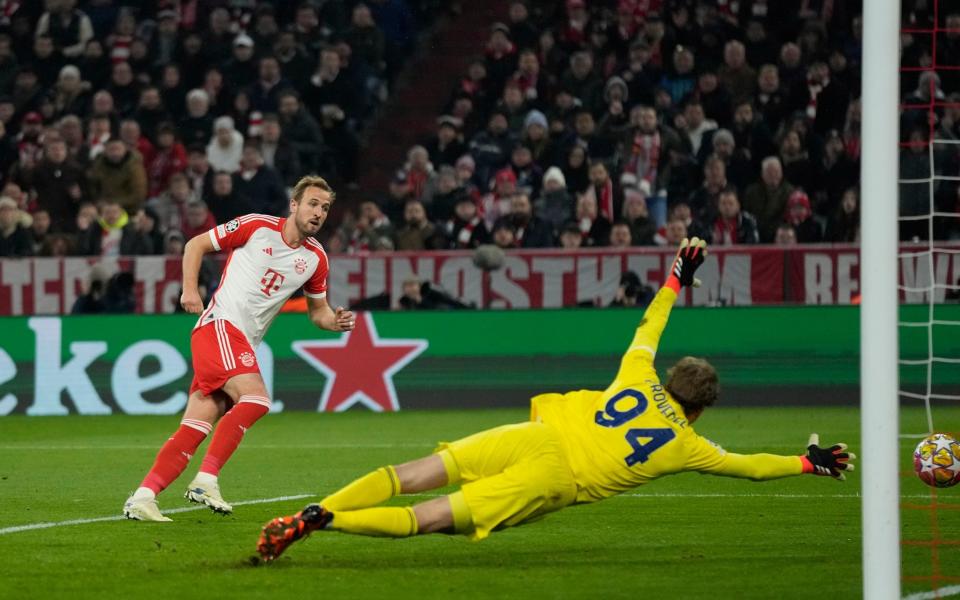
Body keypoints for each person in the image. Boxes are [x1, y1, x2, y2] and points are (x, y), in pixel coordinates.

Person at [256, 238, 854, 560]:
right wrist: (808, 461)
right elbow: (749, 469)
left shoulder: (637, 376)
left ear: (671, 379)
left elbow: (652, 322)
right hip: (555, 477)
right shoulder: (687, 445)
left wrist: (677, 275)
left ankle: (315, 509)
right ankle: (323, 521)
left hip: (536, 433)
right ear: (700, 408)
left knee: (410, 473)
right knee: (425, 519)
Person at [123, 176, 357, 522]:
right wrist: (189, 289)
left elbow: (317, 312)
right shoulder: (257, 226)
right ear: (294, 205)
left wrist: (333, 322)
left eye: (324, 208)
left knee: (195, 426)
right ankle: (206, 480)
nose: (319, 212)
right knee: (257, 399)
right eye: (312, 203)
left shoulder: (316, 259)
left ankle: (143, 497)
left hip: (238, 341)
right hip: (220, 325)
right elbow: (195, 245)